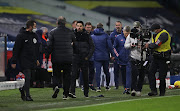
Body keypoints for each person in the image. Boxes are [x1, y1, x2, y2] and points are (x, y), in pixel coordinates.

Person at [46, 16, 75, 100]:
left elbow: (49, 45)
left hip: (56, 57)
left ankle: (56, 86)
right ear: (65, 23)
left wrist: (47, 54)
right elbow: (75, 43)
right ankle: (65, 94)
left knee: (56, 74)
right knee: (67, 76)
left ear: (57, 23)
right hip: (68, 58)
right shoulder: (70, 32)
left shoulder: (52, 32)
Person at [11, 20, 39, 101]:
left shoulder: (35, 36)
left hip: (32, 60)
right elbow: (16, 49)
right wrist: (14, 61)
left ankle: (22, 89)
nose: (35, 28)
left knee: (31, 78)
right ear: (30, 26)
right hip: (24, 60)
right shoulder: (21, 36)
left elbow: (36, 49)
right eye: (34, 26)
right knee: (28, 77)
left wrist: (37, 59)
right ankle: (28, 96)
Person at [70, 21, 94, 98]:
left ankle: (86, 93)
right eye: (78, 26)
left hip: (84, 58)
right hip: (75, 57)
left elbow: (92, 47)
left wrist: (88, 56)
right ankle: (72, 92)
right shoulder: (72, 35)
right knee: (73, 75)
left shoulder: (87, 36)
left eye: (80, 26)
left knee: (85, 76)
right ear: (75, 26)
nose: (79, 27)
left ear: (83, 27)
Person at [146, 23, 171, 96]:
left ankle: (162, 92)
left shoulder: (164, 34)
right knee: (150, 72)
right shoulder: (155, 35)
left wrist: (149, 46)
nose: (153, 32)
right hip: (156, 57)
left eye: (154, 30)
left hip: (163, 58)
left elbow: (157, 44)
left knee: (162, 75)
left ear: (157, 29)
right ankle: (153, 90)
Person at [124, 21, 146, 96]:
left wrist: (143, 46)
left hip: (143, 57)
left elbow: (149, 44)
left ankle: (139, 89)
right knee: (134, 73)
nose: (136, 29)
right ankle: (133, 89)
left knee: (141, 74)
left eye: (137, 27)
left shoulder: (144, 35)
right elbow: (125, 45)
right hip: (133, 56)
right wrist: (131, 45)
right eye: (135, 27)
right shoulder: (130, 35)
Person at [91, 23, 115, 92]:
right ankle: (107, 85)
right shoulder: (106, 36)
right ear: (102, 27)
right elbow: (110, 47)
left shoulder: (92, 36)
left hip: (96, 56)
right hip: (105, 56)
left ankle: (98, 86)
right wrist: (112, 55)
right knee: (106, 72)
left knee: (98, 72)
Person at [113, 26, 131, 94]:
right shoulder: (118, 37)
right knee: (123, 75)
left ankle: (128, 88)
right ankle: (125, 87)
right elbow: (114, 47)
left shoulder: (132, 38)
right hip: (122, 59)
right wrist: (118, 56)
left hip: (130, 59)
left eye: (128, 33)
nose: (126, 35)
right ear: (123, 31)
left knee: (129, 73)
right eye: (125, 33)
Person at [110, 21, 123, 89]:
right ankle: (116, 85)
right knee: (116, 71)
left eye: (118, 25)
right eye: (116, 25)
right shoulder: (112, 34)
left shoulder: (125, 33)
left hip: (124, 56)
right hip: (116, 56)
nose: (117, 27)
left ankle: (126, 85)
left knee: (124, 71)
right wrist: (111, 55)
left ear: (121, 25)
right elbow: (110, 45)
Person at [85, 22, 96, 91]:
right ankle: (84, 85)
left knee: (92, 71)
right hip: (85, 56)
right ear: (85, 27)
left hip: (92, 56)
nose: (88, 29)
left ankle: (90, 84)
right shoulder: (83, 35)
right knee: (84, 71)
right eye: (87, 27)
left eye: (89, 27)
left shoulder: (94, 35)